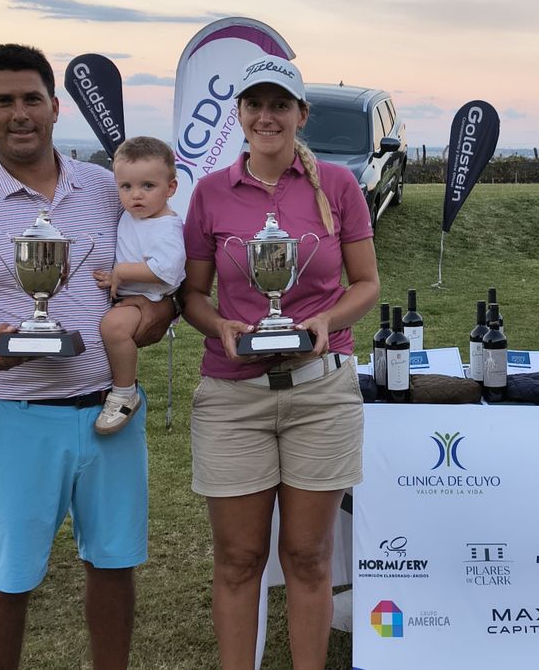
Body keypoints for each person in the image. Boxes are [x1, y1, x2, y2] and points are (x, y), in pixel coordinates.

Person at [0, 43, 173, 670]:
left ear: (55, 107)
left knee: (114, 565)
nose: (20, 113)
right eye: (4, 101)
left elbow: (158, 284)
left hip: (110, 411)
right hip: (16, 415)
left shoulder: (112, 190)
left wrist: (153, 316)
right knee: (11, 576)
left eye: (31, 99)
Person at [180, 53, 379, 669]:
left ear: (301, 114)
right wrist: (220, 325)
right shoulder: (211, 192)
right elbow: (192, 295)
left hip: (320, 391)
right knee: (238, 560)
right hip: (233, 396)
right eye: (255, 105)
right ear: (239, 114)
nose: (267, 116)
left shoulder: (340, 187)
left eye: (280, 105)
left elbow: (366, 283)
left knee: (309, 556)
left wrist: (327, 320)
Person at [93, 136, 185, 434]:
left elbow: (167, 270)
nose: (136, 196)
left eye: (148, 186)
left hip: (149, 298)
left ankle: (124, 392)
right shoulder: (134, 217)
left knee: (113, 327)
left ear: (170, 188)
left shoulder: (167, 226)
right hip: (131, 294)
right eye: (126, 187)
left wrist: (122, 272)